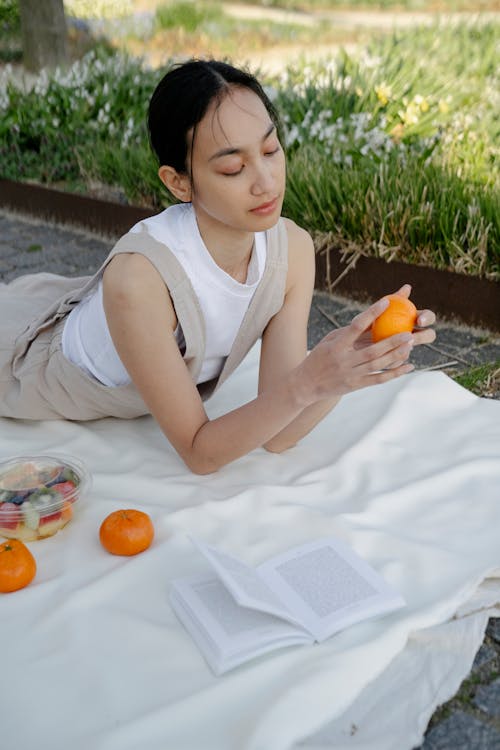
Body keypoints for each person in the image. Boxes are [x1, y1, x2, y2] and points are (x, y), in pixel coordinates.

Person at [0, 59, 436, 474]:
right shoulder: (140, 282)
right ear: (179, 182)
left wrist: (350, 360)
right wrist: (309, 382)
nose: (266, 181)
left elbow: (279, 433)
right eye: (232, 168)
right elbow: (199, 452)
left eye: (270, 149)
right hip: (27, 365)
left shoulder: (292, 251)